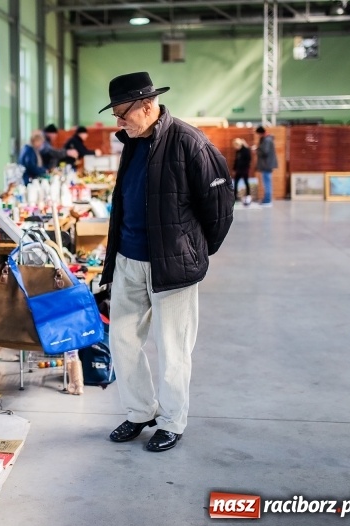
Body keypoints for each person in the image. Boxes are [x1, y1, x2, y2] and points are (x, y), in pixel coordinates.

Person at [97, 72, 234, 452]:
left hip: (171, 265)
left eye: (122, 113)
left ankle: (172, 421)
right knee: (122, 339)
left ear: (147, 105)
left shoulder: (189, 141)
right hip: (128, 259)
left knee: (173, 347)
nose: (118, 122)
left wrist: (195, 250)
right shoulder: (133, 142)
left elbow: (220, 206)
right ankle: (141, 411)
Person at [254, 126, 277, 206]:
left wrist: (256, 150)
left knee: (267, 182)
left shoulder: (266, 140)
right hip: (267, 164)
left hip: (266, 164)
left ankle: (267, 199)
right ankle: (267, 199)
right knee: (267, 182)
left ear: (260, 133)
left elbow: (265, 152)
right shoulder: (267, 139)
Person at [232, 138, 252, 205]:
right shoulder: (238, 151)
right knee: (236, 182)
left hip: (244, 169)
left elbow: (248, 160)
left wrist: (245, 167)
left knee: (246, 182)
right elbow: (236, 160)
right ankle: (235, 196)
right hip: (238, 169)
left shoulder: (246, 150)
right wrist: (234, 169)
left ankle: (248, 195)